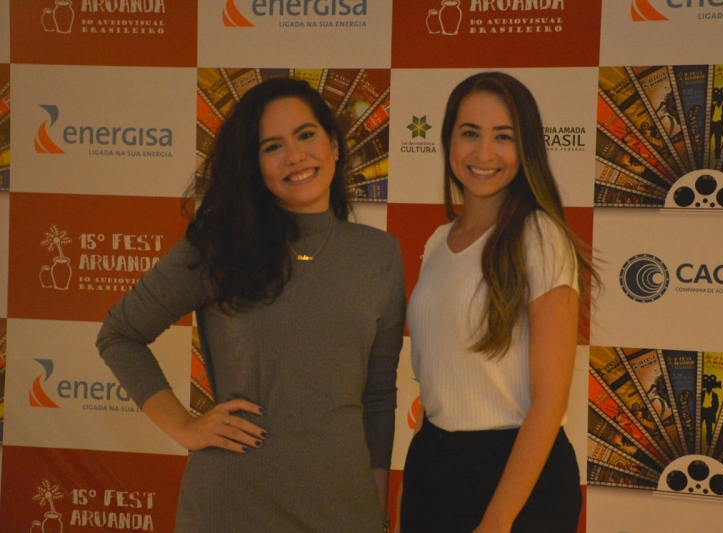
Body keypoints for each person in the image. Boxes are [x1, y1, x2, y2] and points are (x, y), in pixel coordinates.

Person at [97, 77, 405, 532]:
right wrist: (184, 426)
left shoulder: (378, 254)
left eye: (305, 135)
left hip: (344, 510)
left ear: (334, 144)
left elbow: (377, 397)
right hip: (232, 507)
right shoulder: (219, 246)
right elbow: (119, 335)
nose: (295, 156)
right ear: (254, 165)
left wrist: (374, 511)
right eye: (272, 146)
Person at [399, 72, 598, 532]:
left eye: (503, 137)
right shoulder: (436, 242)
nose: (484, 153)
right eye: (470, 133)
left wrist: (498, 520)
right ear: (448, 140)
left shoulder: (541, 237)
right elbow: (439, 385)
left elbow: (548, 403)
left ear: (525, 148)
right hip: (434, 466)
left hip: (518, 480)